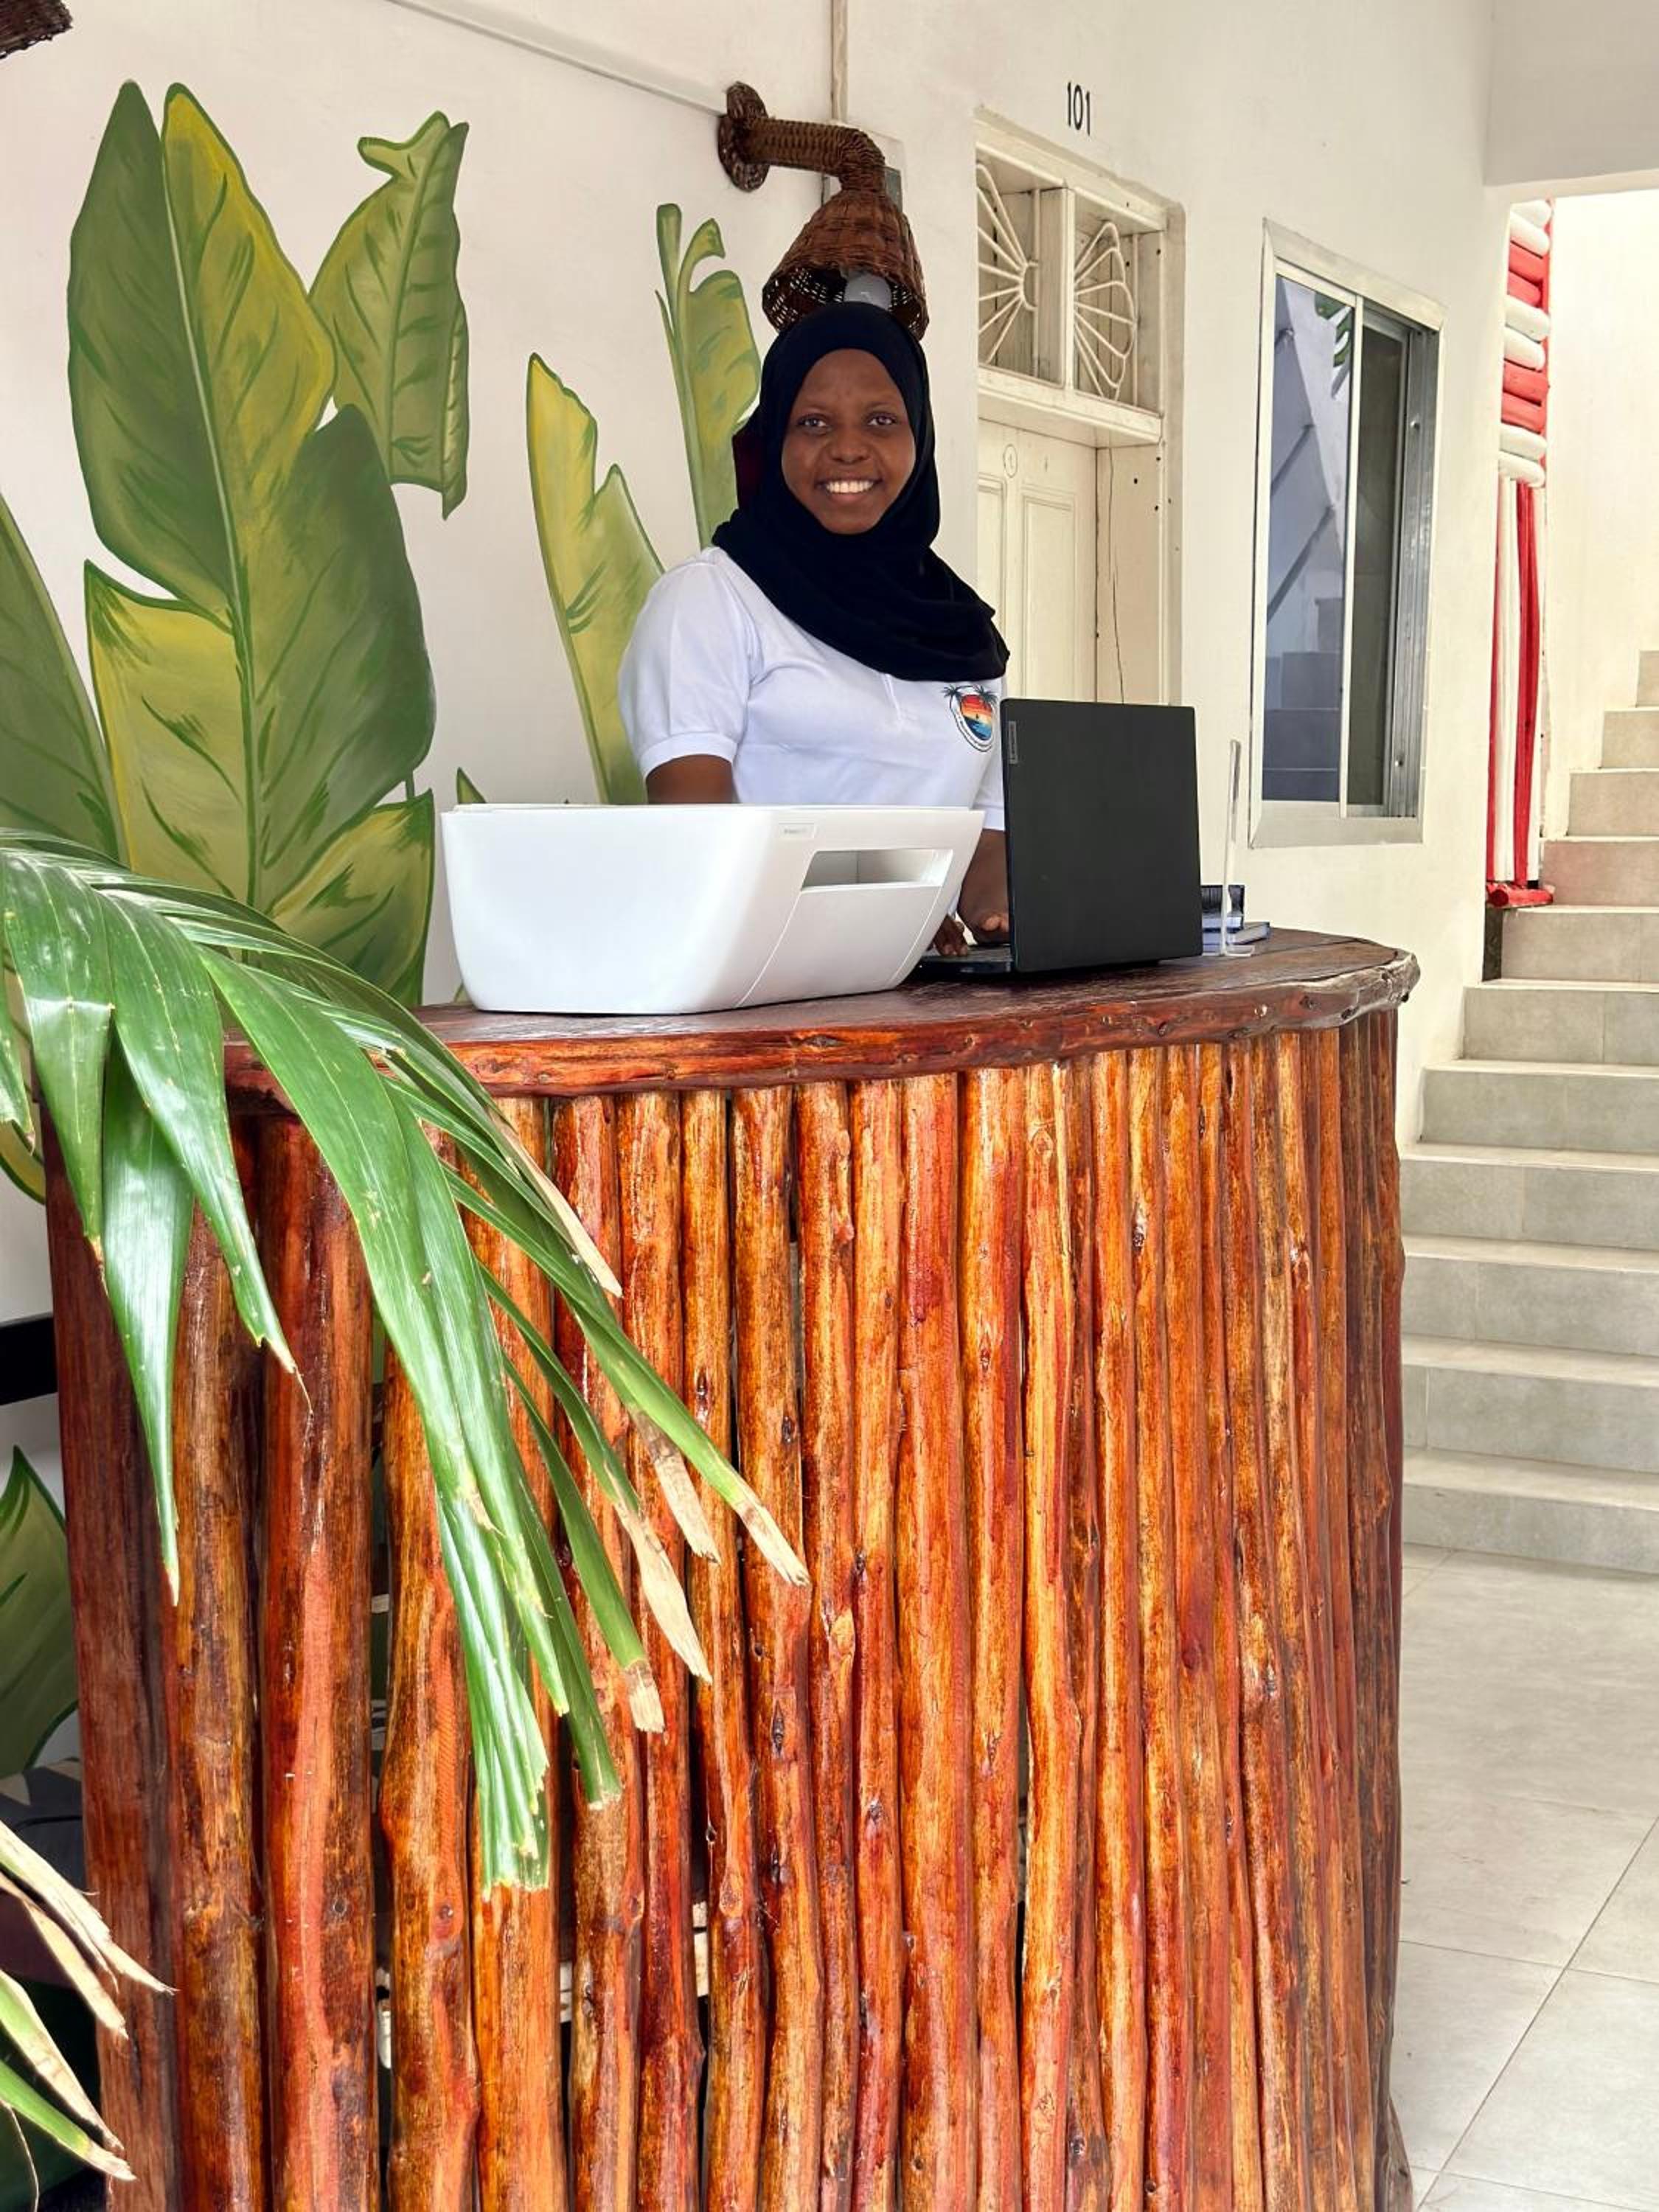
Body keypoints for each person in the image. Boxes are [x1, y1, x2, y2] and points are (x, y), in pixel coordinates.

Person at [618, 300, 1012, 942]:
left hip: (915, 985)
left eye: (881, 420)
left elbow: (985, 854)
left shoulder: (963, 633)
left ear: (919, 435)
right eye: (813, 423)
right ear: (776, 438)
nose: (848, 449)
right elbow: (699, 841)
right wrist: (883, 913)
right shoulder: (712, 600)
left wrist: (1018, 916)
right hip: (757, 985)